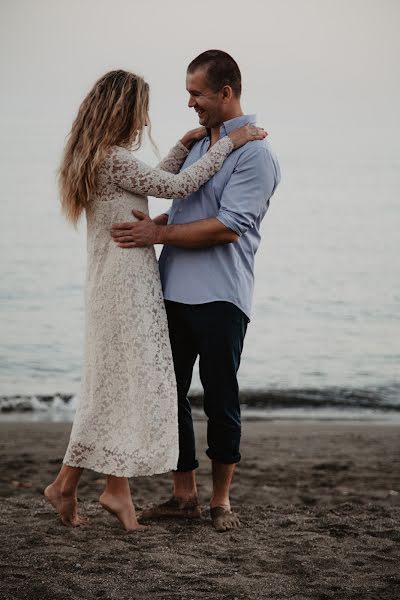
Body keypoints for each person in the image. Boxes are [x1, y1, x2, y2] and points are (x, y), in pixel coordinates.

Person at [44, 69, 266, 532]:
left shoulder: (101, 156)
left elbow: (151, 183)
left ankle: (88, 486)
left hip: (123, 281)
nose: (147, 115)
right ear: (124, 109)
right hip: (128, 283)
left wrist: (185, 147)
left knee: (117, 385)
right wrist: (229, 142)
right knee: (122, 386)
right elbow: (178, 187)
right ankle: (101, 488)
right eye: (142, 106)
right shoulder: (113, 156)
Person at [111, 51, 281, 532]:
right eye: (188, 93)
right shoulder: (199, 147)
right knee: (171, 396)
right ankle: (183, 496)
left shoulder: (255, 152)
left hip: (221, 296)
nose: (190, 103)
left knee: (221, 398)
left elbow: (229, 227)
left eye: (197, 94)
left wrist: (157, 236)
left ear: (225, 93)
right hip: (172, 291)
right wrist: (159, 223)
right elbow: (183, 203)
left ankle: (221, 500)